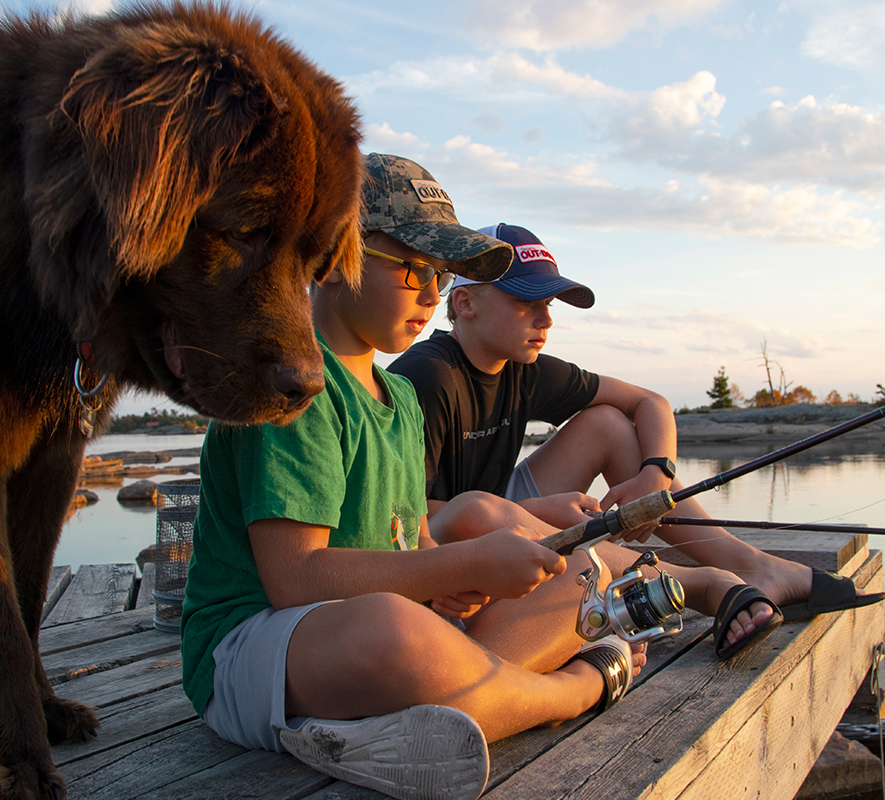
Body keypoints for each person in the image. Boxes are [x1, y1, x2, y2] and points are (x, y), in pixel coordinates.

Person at [180, 155, 650, 800]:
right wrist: (455, 569)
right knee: (392, 634)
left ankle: (408, 719)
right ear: (333, 256)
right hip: (255, 649)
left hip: (372, 634)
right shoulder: (289, 386)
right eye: (412, 268)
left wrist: (461, 580)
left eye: (439, 274)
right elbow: (296, 580)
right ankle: (571, 690)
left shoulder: (399, 399)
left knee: (577, 582)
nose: (432, 294)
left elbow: (410, 546)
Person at [387, 222, 885, 658]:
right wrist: (537, 517)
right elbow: (404, 519)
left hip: (488, 512)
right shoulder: (427, 376)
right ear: (465, 302)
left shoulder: (526, 368)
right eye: (525, 302)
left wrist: (656, 472)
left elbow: (651, 402)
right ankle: (696, 585)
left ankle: (750, 565)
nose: (546, 319)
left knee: (606, 423)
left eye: (549, 303)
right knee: (481, 508)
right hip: (436, 540)